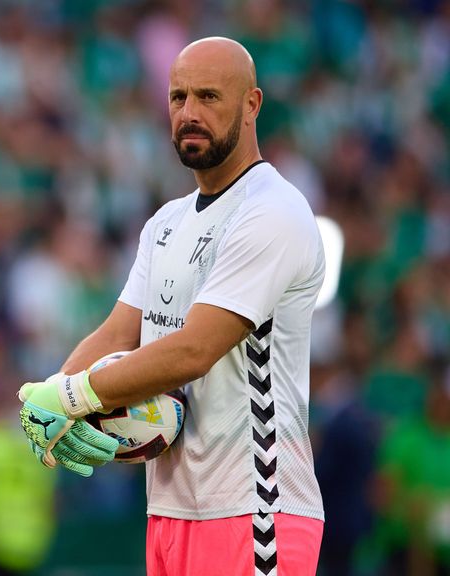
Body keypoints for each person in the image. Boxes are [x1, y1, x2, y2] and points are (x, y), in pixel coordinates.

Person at [18, 37, 325, 575]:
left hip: (255, 509)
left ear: (252, 105)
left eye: (209, 97)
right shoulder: (166, 222)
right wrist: (45, 401)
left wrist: (71, 395)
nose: (190, 113)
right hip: (170, 510)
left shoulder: (273, 212)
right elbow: (117, 335)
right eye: (178, 97)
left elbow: (193, 351)